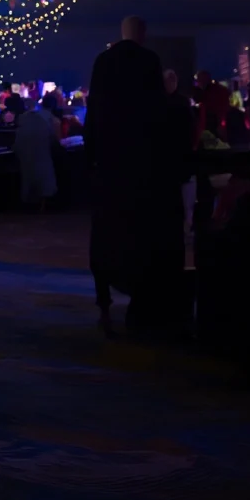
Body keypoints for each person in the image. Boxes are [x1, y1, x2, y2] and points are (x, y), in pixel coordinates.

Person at [87, 17, 190, 337]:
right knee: (141, 234)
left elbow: (95, 113)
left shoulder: (104, 61)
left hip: (109, 164)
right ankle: (143, 300)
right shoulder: (149, 62)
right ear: (142, 35)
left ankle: (104, 299)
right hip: (142, 164)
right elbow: (156, 115)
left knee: (106, 231)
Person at [15, 100, 61, 207]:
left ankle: (31, 204)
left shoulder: (22, 125)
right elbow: (54, 142)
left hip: (27, 162)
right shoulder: (47, 121)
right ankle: (44, 204)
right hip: (43, 161)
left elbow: (16, 146)